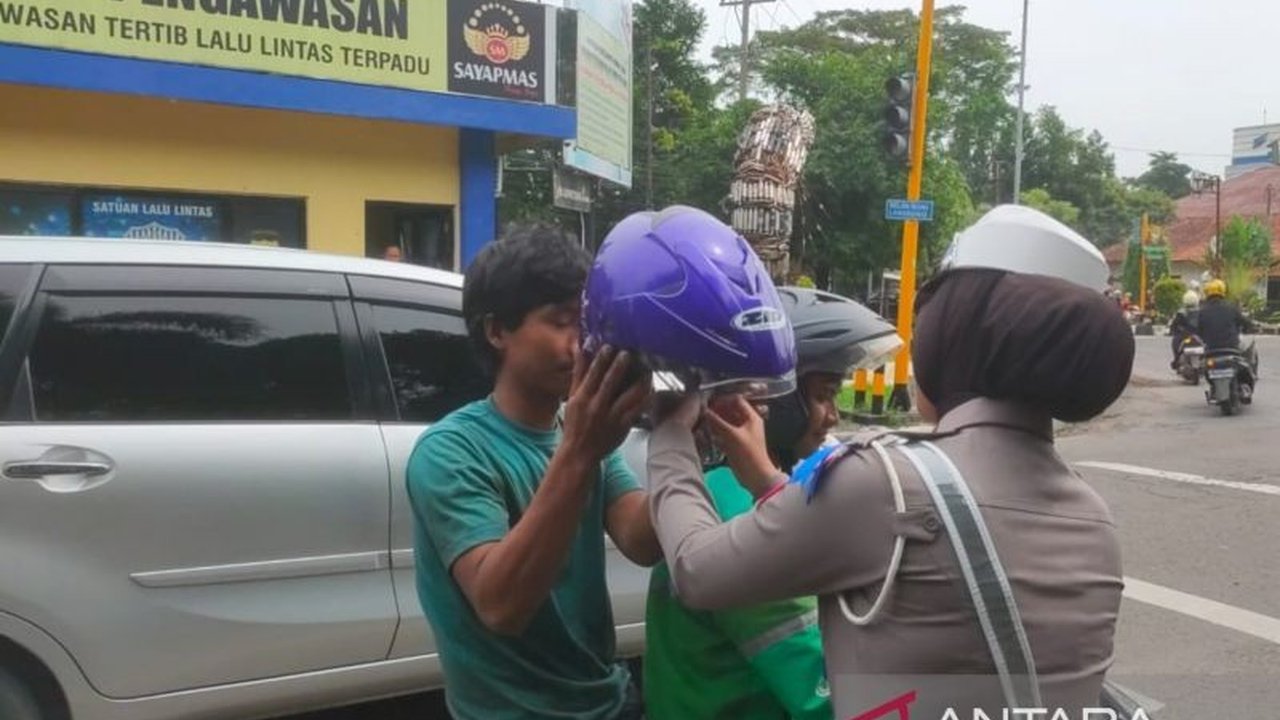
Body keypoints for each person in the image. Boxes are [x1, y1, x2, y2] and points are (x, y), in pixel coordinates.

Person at [644, 205, 1136, 719]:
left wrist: (671, 430)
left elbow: (697, 572)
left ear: (953, 338)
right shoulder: (1093, 517)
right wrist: (769, 481)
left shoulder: (883, 484)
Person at [406, 225, 660, 720]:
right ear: (496, 331)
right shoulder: (451, 451)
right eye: (561, 322)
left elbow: (641, 540)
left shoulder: (577, 430)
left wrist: (684, 440)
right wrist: (580, 450)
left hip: (607, 701)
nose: (581, 344)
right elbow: (501, 605)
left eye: (586, 322)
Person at [643, 286, 902, 720]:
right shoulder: (738, 509)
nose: (834, 416)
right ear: (776, 400)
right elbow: (826, 697)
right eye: (823, 396)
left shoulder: (741, 487)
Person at [1197, 278, 1257, 370]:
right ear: (1223, 291)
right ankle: (1251, 374)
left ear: (1207, 293)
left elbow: (1198, 331)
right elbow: (1246, 323)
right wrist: (1250, 327)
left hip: (1211, 349)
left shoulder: (1202, 311)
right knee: (1249, 353)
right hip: (1232, 347)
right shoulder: (1231, 308)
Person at [1169, 289, 1201, 370]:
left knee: (1175, 342)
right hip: (1199, 335)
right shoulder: (1201, 312)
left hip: (1185, 336)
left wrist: (1173, 330)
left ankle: (1176, 360)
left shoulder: (1181, 312)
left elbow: (1174, 325)